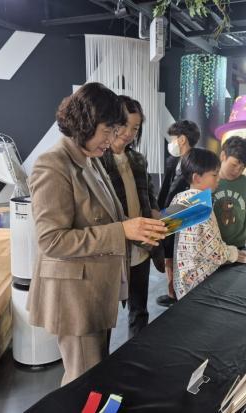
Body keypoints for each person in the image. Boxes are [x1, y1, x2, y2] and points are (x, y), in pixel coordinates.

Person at [27, 83, 167, 386]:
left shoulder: (90, 159)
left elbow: (110, 216)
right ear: (85, 123)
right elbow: (51, 240)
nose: (113, 138)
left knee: (94, 374)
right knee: (83, 380)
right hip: (74, 297)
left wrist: (138, 227)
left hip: (95, 290)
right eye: (108, 130)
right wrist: (122, 230)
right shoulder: (53, 164)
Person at [100, 95, 164, 338]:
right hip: (114, 249)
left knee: (139, 310)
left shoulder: (137, 159)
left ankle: (136, 354)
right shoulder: (97, 162)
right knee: (105, 314)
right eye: (123, 125)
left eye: (135, 128)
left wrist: (155, 210)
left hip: (142, 247)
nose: (128, 133)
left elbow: (149, 191)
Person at [170, 148, 240, 299]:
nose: (218, 178)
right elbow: (212, 250)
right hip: (199, 281)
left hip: (182, 278)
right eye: (214, 175)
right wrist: (232, 253)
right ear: (197, 178)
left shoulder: (179, 198)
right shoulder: (201, 205)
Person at [156, 120, 200, 307]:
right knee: (168, 256)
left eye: (173, 138)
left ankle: (182, 294)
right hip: (167, 214)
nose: (171, 142)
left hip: (185, 216)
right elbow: (166, 189)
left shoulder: (197, 163)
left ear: (182, 139)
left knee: (183, 257)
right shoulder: (173, 161)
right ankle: (172, 293)